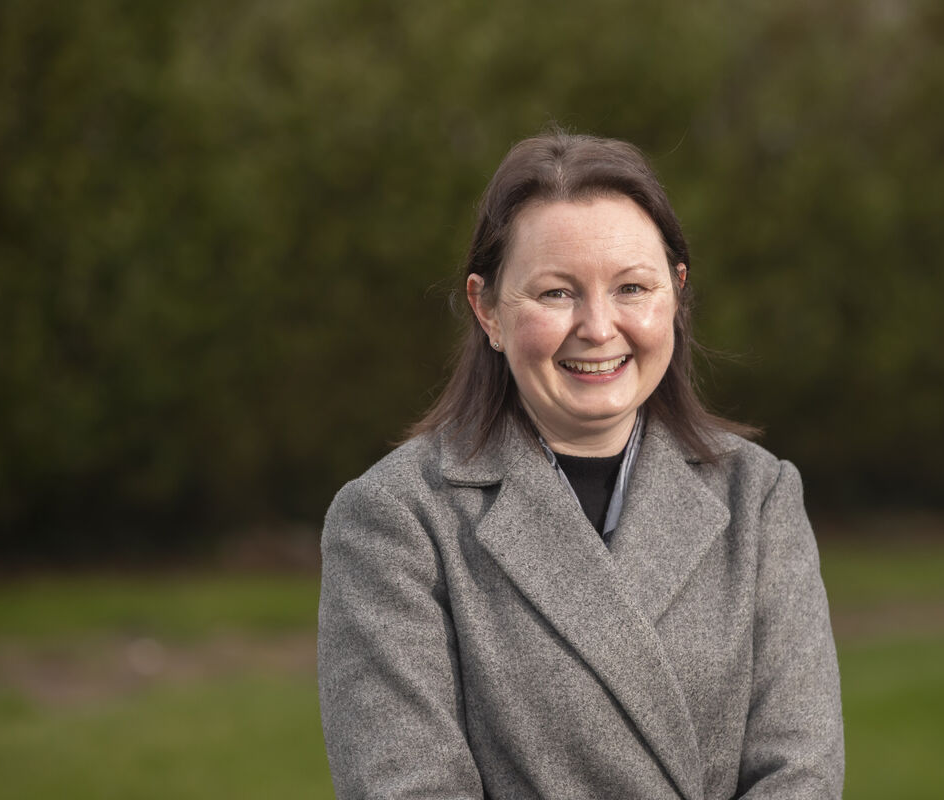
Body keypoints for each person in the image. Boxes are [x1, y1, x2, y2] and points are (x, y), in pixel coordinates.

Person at [317, 130, 844, 799]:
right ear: (488, 310)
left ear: (676, 297)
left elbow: (801, 775)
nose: (598, 327)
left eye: (631, 287)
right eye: (557, 293)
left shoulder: (760, 496)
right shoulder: (395, 520)